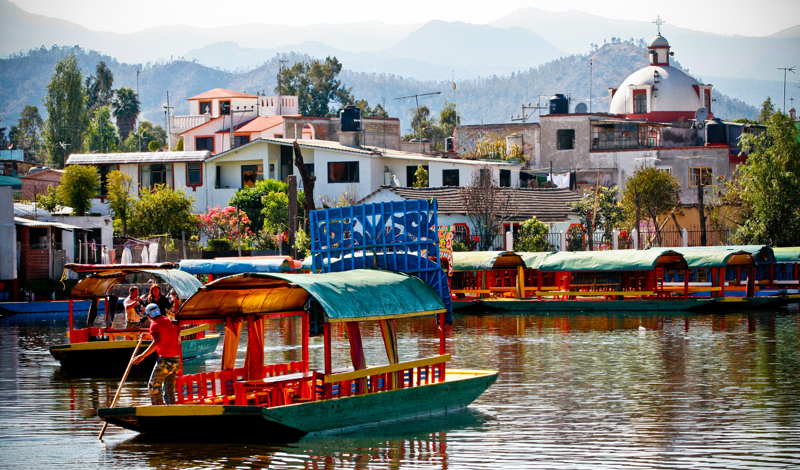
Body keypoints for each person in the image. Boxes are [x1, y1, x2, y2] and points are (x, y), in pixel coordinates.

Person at [133, 303, 181, 405]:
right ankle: (171, 410)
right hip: (176, 359)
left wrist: (142, 356)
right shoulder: (167, 320)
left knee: (153, 386)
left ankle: (157, 408)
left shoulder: (154, 325)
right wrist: (149, 335)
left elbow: (157, 342)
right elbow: (163, 334)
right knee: (169, 390)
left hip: (166, 360)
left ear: (149, 315)